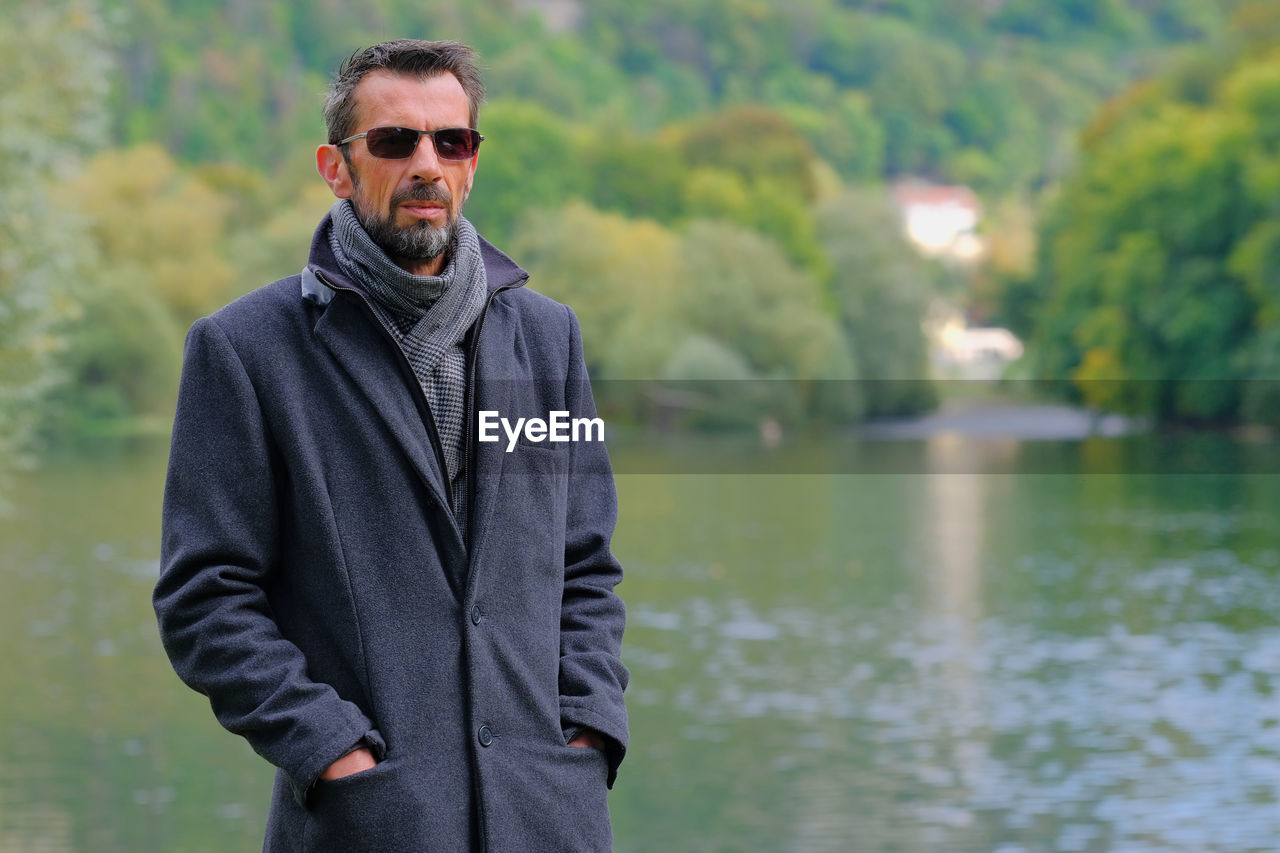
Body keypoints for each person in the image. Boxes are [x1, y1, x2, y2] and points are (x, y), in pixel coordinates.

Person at [153, 39, 628, 852]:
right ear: (336, 167)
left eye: (453, 140)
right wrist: (330, 748)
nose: (428, 164)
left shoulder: (551, 342)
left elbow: (584, 563)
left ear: (474, 162)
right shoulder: (245, 351)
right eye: (394, 141)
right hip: (369, 823)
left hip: (550, 816)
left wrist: (587, 727)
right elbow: (205, 596)